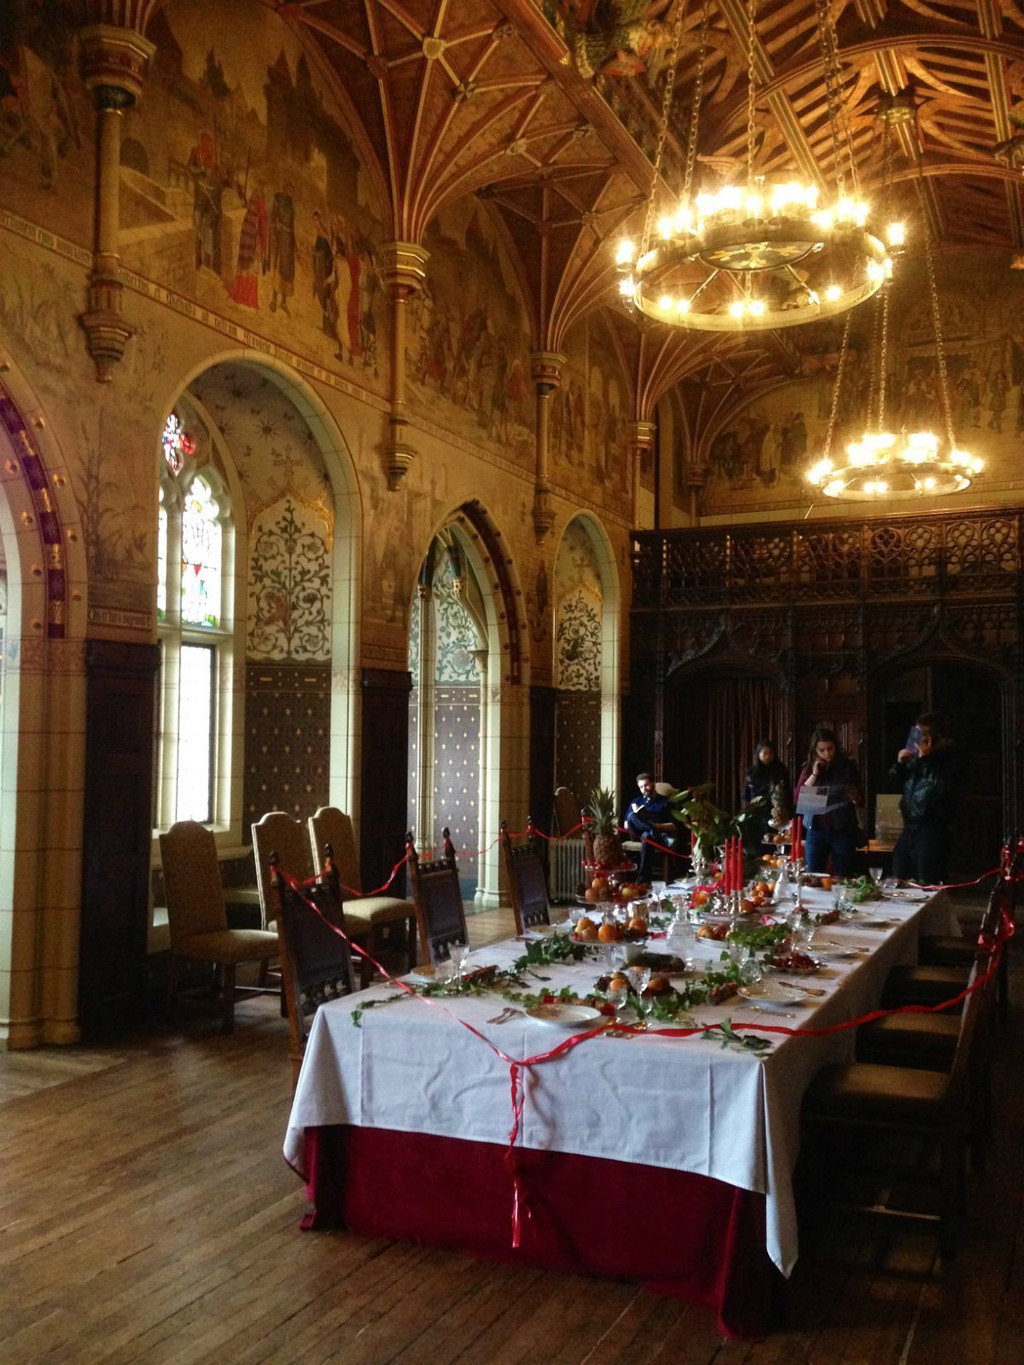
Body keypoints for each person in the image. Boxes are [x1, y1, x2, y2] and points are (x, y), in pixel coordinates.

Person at [888, 712, 960, 885]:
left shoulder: (949, 756)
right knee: (899, 871)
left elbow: (940, 787)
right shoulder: (914, 757)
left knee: (927, 877)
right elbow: (893, 784)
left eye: (923, 734)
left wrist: (926, 759)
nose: (918, 738)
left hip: (932, 825)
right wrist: (899, 764)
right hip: (909, 824)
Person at [794, 728, 862, 876]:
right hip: (816, 828)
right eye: (822, 750)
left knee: (844, 875)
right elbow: (798, 797)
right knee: (813, 876)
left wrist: (855, 797)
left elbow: (860, 799)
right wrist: (814, 774)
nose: (827, 754)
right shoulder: (809, 767)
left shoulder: (847, 766)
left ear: (835, 746)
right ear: (815, 750)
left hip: (842, 827)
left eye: (830, 748)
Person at [623, 772, 679, 883]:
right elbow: (626, 825)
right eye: (641, 787)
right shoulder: (636, 802)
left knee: (647, 836)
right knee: (632, 815)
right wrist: (643, 822)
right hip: (636, 833)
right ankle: (655, 832)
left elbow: (673, 826)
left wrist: (656, 826)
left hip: (651, 836)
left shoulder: (664, 802)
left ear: (653, 784)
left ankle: (642, 879)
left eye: (646, 785)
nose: (644, 789)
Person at [742, 740, 791, 845]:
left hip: (776, 814)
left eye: (771, 753)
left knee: (775, 843)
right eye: (765, 753)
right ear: (758, 754)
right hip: (756, 814)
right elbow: (745, 795)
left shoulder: (781, 771)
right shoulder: (751, 773)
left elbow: (787, 793)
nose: (768, 756)